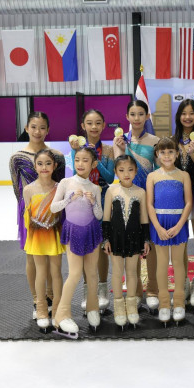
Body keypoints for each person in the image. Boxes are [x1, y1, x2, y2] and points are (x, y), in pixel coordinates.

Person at [9, 111, 65, 319]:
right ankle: (37, 300)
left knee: (52, 256)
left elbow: (60, 186)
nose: (37, 131)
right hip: (30, 212)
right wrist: (29, 213)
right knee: (33, 257)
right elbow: (17, 188)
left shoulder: (56, 156)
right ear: (26, 128)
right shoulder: (17, 158)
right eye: (33, 127)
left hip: (53, 212)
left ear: (48, 130)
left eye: (42, 127)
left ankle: (51, 296)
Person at [51, 146, 103, 338]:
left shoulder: (95, 188)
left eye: (85, 160)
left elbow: (100, 215)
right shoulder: (65, 183)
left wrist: (94, 203)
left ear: (93, 164)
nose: (80, 164)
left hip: (92, 231)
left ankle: (92, 307)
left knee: (92, 273)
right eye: (77, 160)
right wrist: (68, 200)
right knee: (74, 273)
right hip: (73, 231)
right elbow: (54, 208)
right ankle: (61, 314)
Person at [113, 100, 160, 311]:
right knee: (133, 245)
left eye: (141, 114)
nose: (137, 118)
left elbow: (158, 171)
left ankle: (153, 290)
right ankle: (137, 291)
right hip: (128, 199)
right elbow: (119, 170)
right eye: (133, 114)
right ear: (127, 117)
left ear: (147, 116)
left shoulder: (155, 141)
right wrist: (122, 149)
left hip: (149, 198)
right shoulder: (120, 140)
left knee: (151, 245)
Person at [70, 109, 115, 316]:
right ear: (83, 126)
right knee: (86, 247)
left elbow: (110, 177)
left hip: (103, 199)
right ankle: (88, 291)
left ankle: (103, 288)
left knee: (103, 245)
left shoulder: (108, 149)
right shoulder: (76, 148)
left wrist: (95, 159)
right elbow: (76, 174)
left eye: (98, 123)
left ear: (104, 125)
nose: (94, 127)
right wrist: (76, 153)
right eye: (89, 123)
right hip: (82, 201)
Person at [147, 138, 192, 326]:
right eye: (163, 152)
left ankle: (179, 302)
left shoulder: (184, 175)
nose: (167, 156)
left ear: (177, 154)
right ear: (157, 154)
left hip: (178, 223)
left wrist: (180, 225)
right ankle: (164, 303)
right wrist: (158, 227)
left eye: (171, 152)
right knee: (162, 264)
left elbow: (188, 203)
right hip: (160, 224)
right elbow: (150, 204)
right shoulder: (152, 176)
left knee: (179, 264)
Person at [102, 155, 150, 329]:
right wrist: (106, 239)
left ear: (136, 171)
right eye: (121, 170)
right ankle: (118, 306)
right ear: (116, 172)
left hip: (134, 237)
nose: (126, 174)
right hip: (115, 237)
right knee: (116, 272)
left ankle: (131, 305)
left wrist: (146, 240)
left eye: (130, 170)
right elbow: (106, 217)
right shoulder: (111, 191)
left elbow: (144, 218)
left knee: (131, 273)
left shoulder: (141, 192)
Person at [22, 149, 65, 331]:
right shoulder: (28, 189)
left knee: (56, 271)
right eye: (40, 164)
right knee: (40, 271)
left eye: (48, 163)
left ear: (54, 166)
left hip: (54, 235)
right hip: (37, 236)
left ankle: (57, 309)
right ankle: (41, 308)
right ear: (35, 166)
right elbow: (27, 215)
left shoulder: (60, 187)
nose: (44, 167)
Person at [172, 99, 194, 309]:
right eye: (184, 113)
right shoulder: (172, 141)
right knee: (181, 243)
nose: (187, 117)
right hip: (177, 198)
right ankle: (183, 282)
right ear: (178, 116)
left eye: (191, 113)